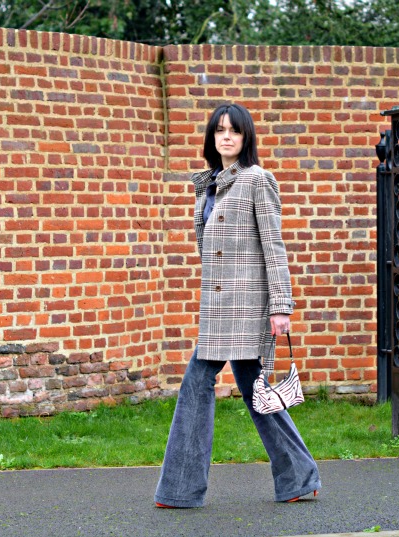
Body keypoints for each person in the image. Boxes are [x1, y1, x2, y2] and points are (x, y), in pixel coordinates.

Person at [154, 103, 321, 508]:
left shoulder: (257, 180)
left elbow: (273, 245)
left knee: (199, 385)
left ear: (246, 138)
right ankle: (299, 477)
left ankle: (180, 490)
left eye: (235, 131)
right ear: (212, 138)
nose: (226, 137)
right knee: (253, 389)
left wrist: (281, 305)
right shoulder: (209, 185)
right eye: (220, 131)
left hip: (248, 306)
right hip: (216, 309)